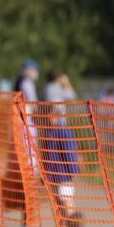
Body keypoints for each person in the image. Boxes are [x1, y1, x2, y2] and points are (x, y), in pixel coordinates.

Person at [40, 71, 81, 216]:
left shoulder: (62, 132)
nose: (48, 118)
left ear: (56, 116)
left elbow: (69, 152)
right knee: (58, 204)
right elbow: (46, 155)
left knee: (67, 202)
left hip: (64, 176)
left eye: (50, 116)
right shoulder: (48, 133)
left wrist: (73, 171)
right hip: (54, 176)